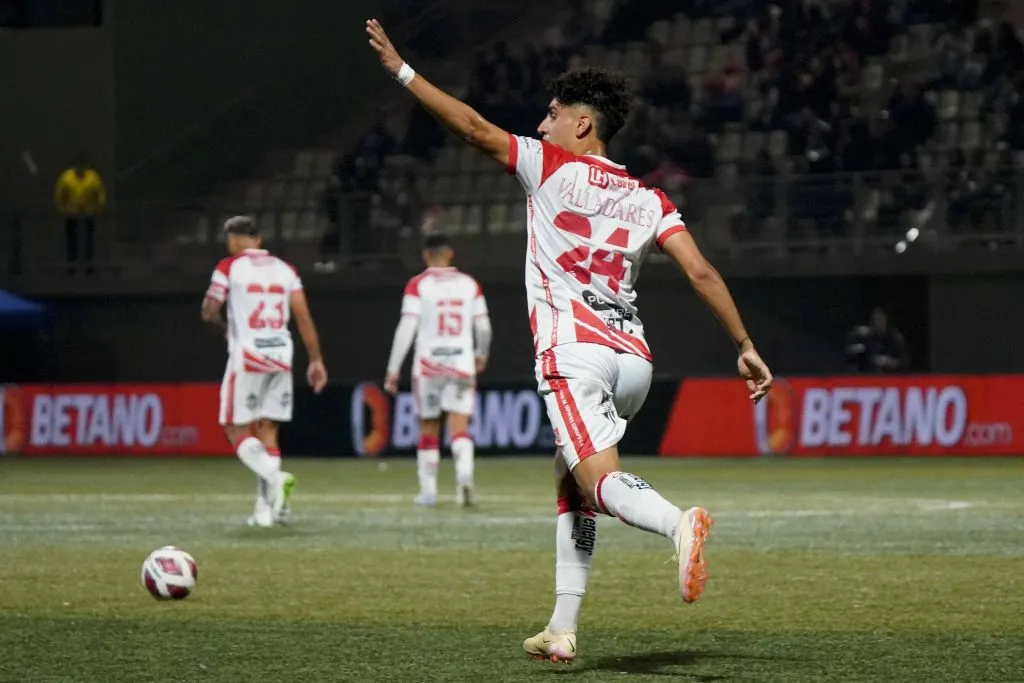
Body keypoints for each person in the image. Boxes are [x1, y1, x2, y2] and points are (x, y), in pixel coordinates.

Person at [366, 19, 773, 663]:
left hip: (574, 352)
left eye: (553, 113)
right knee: (571, 484)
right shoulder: (649, 196)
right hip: (632, 362)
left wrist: (402, 72)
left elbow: (472, 128)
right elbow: (699, 270)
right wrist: (744, 343)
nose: (543, 122)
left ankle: (678, 523)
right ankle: (562, 626)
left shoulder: (547, 164)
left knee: (597, 480)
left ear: (582, 125)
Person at [200, 216, 328, 527]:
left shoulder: (229, 267)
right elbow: (304, 318)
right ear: (258, 239)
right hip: (281, 355)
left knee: (235, 428)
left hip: (248, 355)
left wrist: (227, 330)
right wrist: (316, 360)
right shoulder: (287, 271)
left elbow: (209, 310)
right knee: (268, 429)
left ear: (232, 241)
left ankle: (275, 478)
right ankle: (269, 509)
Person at [384, 233, 492, 507]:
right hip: (461, 363)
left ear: (425, 255)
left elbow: (407, 327)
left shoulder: (418, 285)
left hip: (429, 366)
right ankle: (464, 475)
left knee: (429, 426)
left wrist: (393, 368)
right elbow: (483, 327)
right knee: (459, 427)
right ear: (450, 253)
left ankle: (428, 492)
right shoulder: (469, 284)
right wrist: (481, 354)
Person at [54, 153, 106, 274]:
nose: (81, 167)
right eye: (78, 164)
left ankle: (89, 267)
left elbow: (101, 193)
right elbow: (59, 194)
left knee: (88, 241)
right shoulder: (66, 177)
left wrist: (99, 207)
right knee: (72, 241)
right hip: (71, 213)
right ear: (74, 165)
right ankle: (71, 267)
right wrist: (62, 209)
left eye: (83, 164)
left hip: (88, 213)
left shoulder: (93, 176)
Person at [845, 307, 909, 373]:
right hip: (872, 375)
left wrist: (890, 362)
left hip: (892, 376)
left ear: (886, 320)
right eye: (875, 320)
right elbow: (863, 356)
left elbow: (904, 361)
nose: (878, 323)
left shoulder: (895, 337)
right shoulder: (868, 337)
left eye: (880, 319)